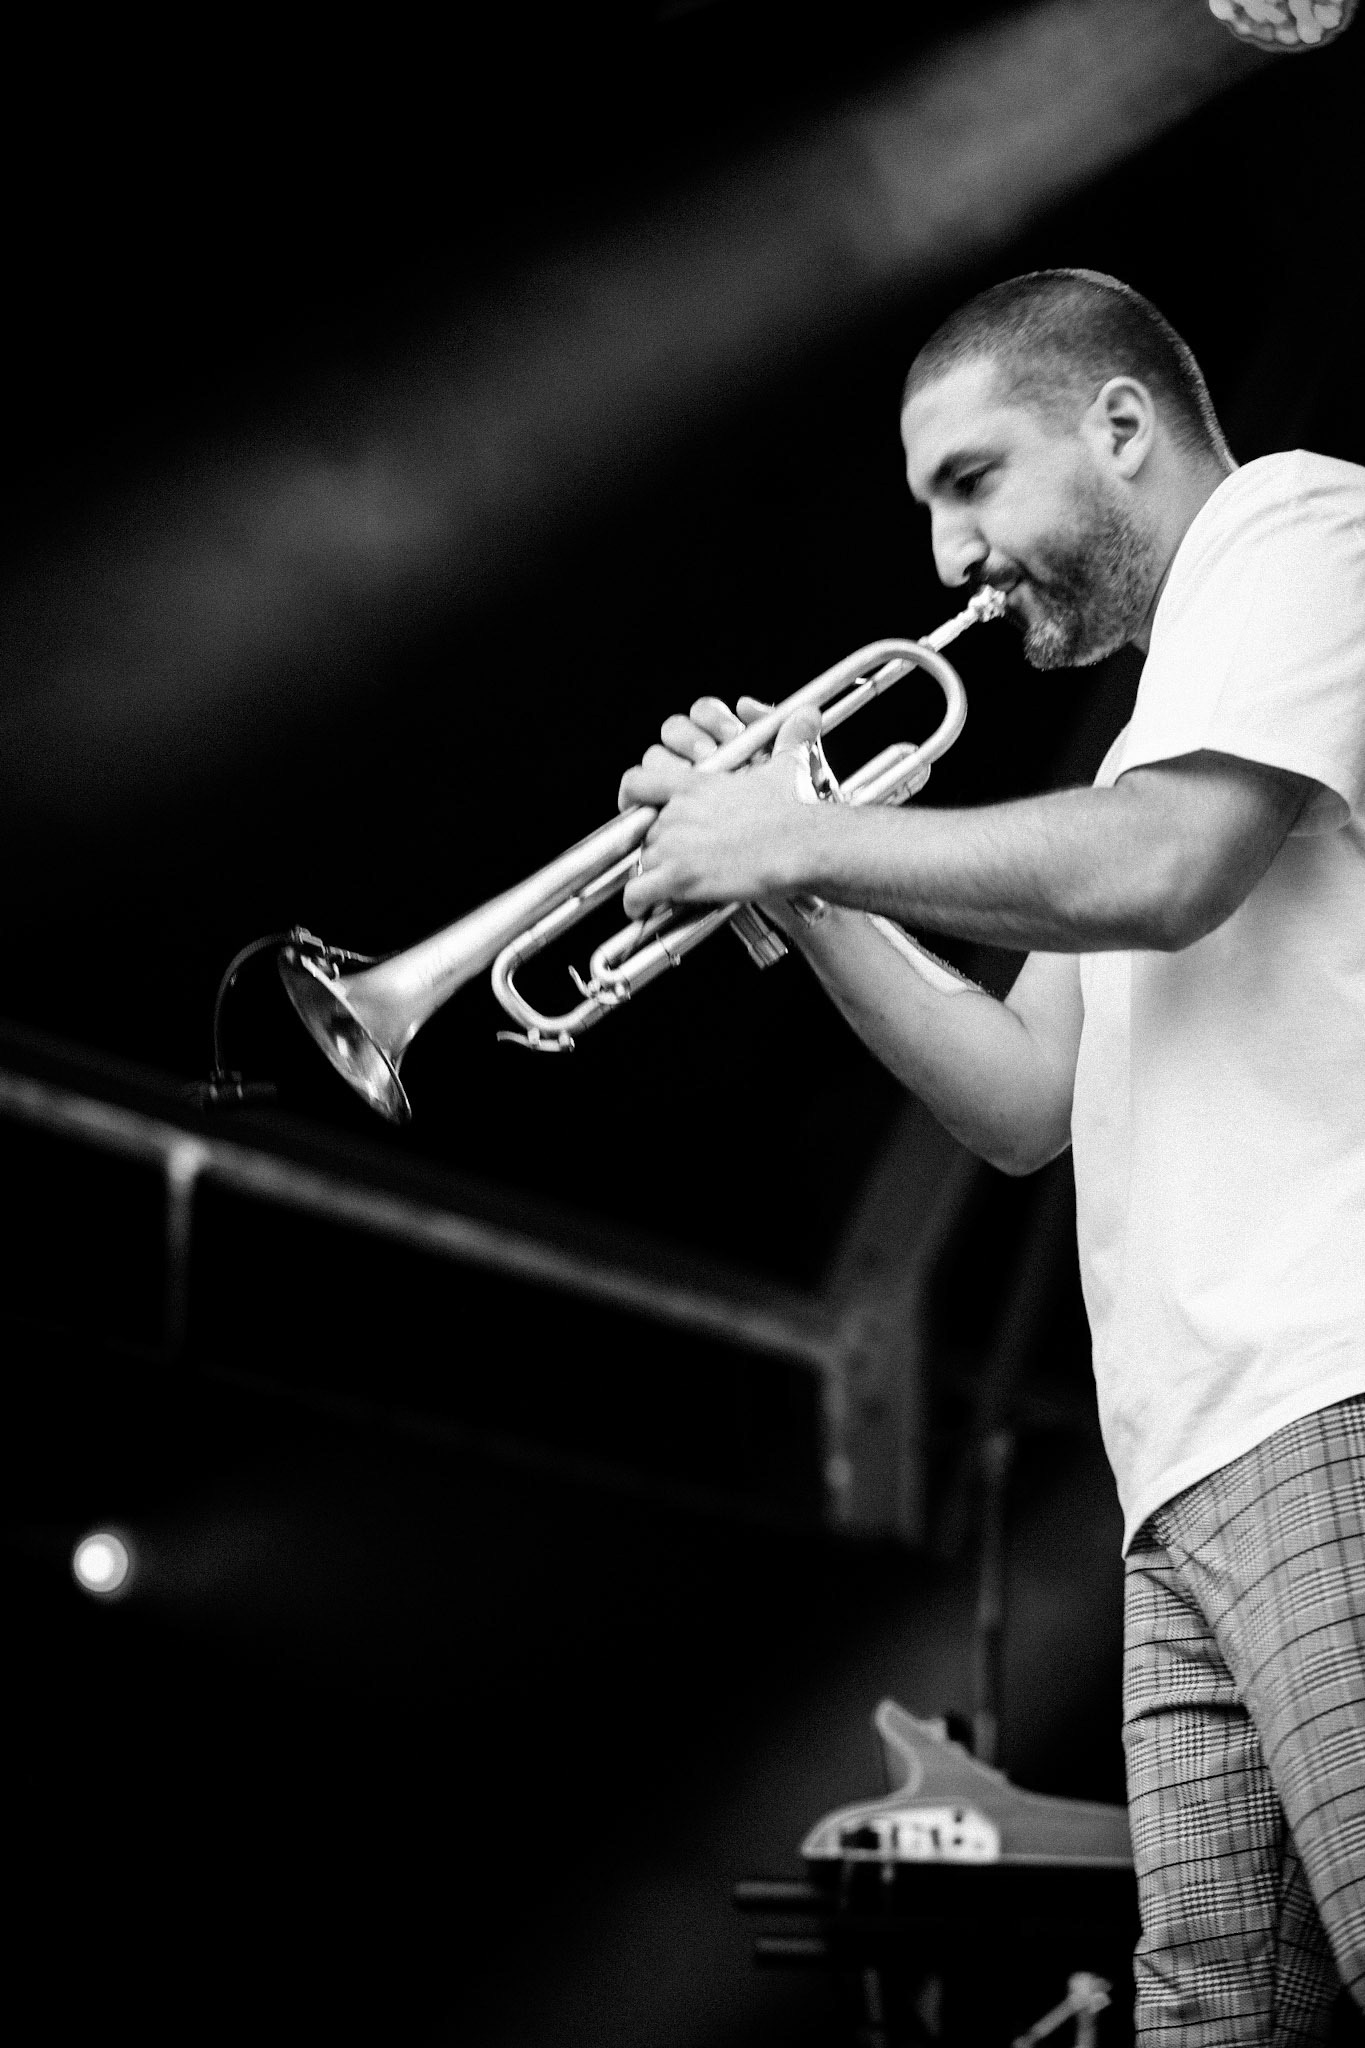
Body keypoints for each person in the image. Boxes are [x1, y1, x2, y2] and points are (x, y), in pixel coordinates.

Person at [618, 268, 1365, 2041]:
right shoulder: (1162, 728)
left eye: (971, 481)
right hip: (1184, 1470)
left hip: (1324, 1391)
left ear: (1119, 424)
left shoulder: (1300, 526)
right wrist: (800, 880)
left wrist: (798, 835)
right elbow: (1022, 1096)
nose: (949, 556)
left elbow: (1161, 869)